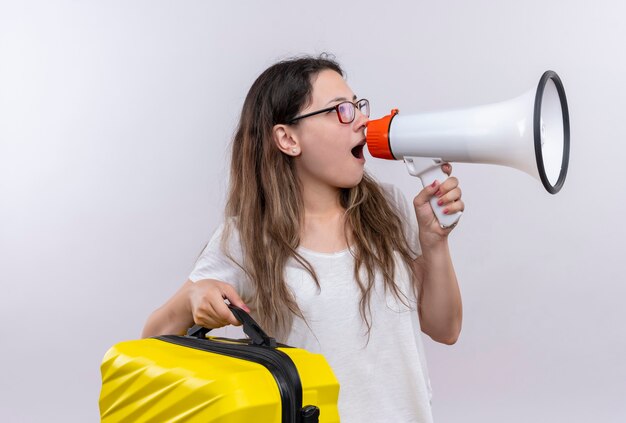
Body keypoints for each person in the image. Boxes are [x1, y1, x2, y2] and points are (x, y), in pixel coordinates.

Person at [142, 54, 464, 422]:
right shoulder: (247, 238)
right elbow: (153, 338)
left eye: (358, 106)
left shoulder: (389, 208)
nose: (362, 120)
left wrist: (435, 242)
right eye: (340, 110)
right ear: (288, 138)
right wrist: (192, 298)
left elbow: (445, 328)